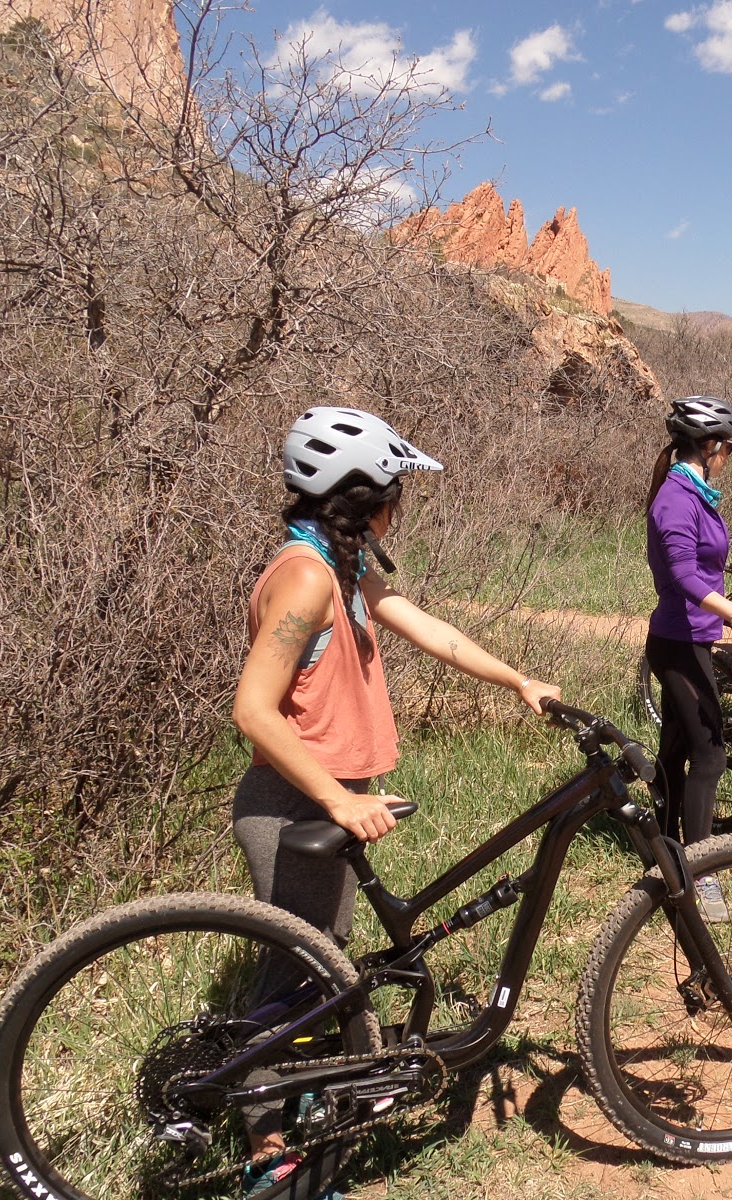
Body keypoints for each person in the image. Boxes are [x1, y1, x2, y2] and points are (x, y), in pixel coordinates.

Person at [231, 406, 560, 1197]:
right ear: (361, 497)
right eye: (392, 493)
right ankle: (267, 1155)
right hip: (293, 804)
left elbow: (427, 627)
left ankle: (305, 1100)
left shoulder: (340, 570)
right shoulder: (308, 578)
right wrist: (336, 802)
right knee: (294, 980)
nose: (398, 507)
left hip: (321, 798)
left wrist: (518, 680)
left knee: (320, 967)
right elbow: (253, 709)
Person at [645, 396, 732, 921]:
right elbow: (682, 575)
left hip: (692, 638)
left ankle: (664, 851)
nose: (729, 456)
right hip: (677, 645)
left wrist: (730, 607)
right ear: (713, 445)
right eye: (729, 447)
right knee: (711, 754)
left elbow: (703, 570)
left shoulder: (695, 492)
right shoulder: (676, 497)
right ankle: (699, 872)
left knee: (676, 750)